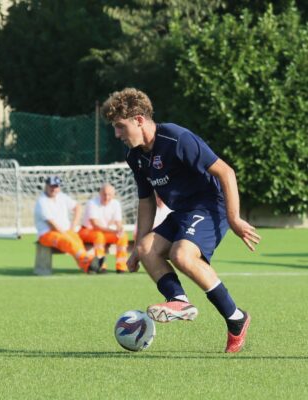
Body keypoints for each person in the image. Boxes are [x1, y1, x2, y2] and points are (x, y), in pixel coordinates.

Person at [101, 88, 261, 353]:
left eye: (120, 127)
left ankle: (235, 318)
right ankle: (187, 303)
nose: (117, 135)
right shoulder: (135, 156)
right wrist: (137, 247)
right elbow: (146, 201)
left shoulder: (176, 138)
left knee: (182, 254)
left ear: (139, 119)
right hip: (182, 211)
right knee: (146, 249)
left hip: (211, 205)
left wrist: (234, 219)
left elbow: (226, 172)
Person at [34, 176, 98, 273]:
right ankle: (89, 260)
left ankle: (88, 267)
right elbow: (51, 224)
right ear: (46, 186)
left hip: (64, 231)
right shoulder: (42, 202)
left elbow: (77, 207)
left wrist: (73, 226)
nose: (54, 189)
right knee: (68, 241)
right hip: (47, 234)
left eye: (56, 186)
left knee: (77, 240)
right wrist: (66, 234)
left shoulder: (61, 196)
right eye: (51, 186)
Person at [78, 184, 129, 273]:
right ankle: (101, 266)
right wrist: (114, 231)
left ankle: (121, 267)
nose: (107, 197)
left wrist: (120, 229)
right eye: (104, 194)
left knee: (123, 237)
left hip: (104, 232)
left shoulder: (115, 204)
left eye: (109, 194)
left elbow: (118, 222)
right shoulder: (92, 203)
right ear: (100, 193)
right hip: (87, 231)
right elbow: (95, 225)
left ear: (113, 195)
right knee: (99, 236)